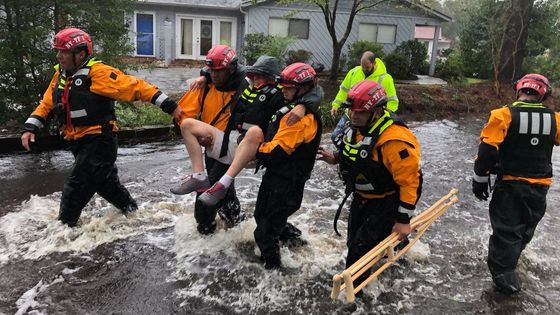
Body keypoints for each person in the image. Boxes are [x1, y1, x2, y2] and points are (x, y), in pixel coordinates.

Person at [20, 27, 181, 227]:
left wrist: (171, 107)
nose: (58, 55)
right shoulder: (60, 76)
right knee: (107, 186)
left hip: (99, 141)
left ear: (80, 54)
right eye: (58, 51)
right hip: (77, 141)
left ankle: (62, 234)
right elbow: (47, 104)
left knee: (75, 188)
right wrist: (30, 127)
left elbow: (137, 87)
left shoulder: (99, 73)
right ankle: (136, 216)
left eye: (63, 51)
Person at [317, 80, 422, 287]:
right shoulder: (357, 127)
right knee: (353, 242)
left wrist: (403, 220)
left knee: (357, 253)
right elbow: (361, 155)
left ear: (377, 110)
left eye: (361, 112)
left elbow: (410, 183)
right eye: (352, 111)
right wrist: (336, 157)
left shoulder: (394, 140)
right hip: (363, 198)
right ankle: (395, 250)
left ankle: (355, 294)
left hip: (387, 201)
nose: (355, 116)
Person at [472, 73, 558, 294]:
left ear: (518, 90)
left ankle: (503, 276)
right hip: (539, 187)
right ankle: (508, 268)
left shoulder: (503, 115)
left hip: (510, 185)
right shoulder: (555, 119)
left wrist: (480, 179)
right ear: (544, 95)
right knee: (524, 229)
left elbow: (488, 150)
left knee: (506, 230)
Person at [171, 55, 285, 204]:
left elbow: (309, 94)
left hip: (254, 149)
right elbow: (225, 70)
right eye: (255, 75)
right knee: (187, 124)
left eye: (262, 77)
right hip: (231, 142)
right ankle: (199, 176)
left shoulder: (281, 94)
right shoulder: (246, 83)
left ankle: (223, 184)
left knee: (254, 131)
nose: (256, 80)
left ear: (273, 79)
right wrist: (205, 76)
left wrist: (302, 107)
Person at [171, 44, 247, 234]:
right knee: (223, 189)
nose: (214, 74)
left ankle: (204, 231)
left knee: (206, 193)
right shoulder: (205, 85)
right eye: (211, 70)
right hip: (210, 147)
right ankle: (236, 224)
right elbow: (182, 116)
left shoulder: (246, 87)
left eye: (219, 71)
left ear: (231, 68)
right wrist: (197, 135)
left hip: (230, 148)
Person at [330, 51, 398, 144]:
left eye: (367, 67)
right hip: (351, 114)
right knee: (336, 137)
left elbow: (392, 100)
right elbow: (344, 91)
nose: (364, 69)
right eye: (363, 66)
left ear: (374, 63)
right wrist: (335, 105)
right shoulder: (353, 72)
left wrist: (383, 116)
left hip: (371, 118)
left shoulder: (385, 78)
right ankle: (342, 156)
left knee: (364, 143)